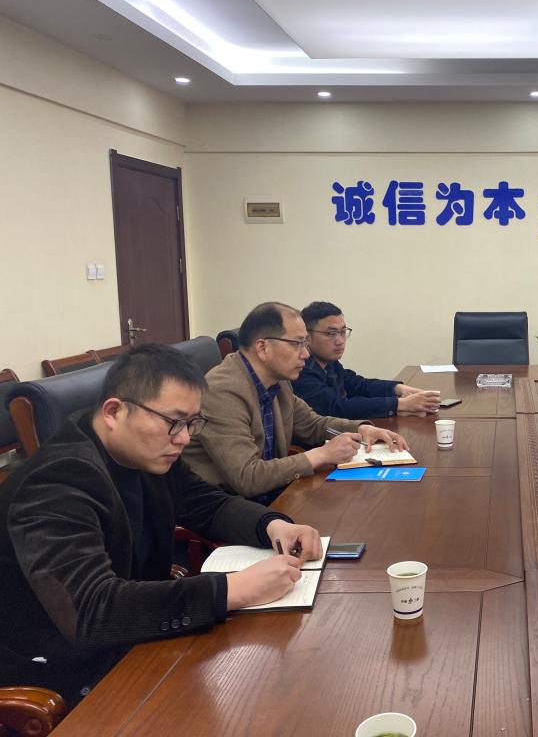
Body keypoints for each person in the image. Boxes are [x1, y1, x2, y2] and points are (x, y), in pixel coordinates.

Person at [0, 345, 323, 707]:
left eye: (191, 423)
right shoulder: (57, 480)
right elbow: (91, 612)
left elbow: (208, 504)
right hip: (58, 673)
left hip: (134, 637)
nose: (184, 438)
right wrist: (231, 590)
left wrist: (272, 525)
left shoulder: (142, 453)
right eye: (174, 422)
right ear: (113, 411)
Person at [184, 302, 408, 502]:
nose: (306, 354)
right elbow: (247, 477)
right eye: (297, 344)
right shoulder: (222, 391)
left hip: (272, 495)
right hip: (226, 508)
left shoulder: (277, 380)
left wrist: (361, 429)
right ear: (262, 348)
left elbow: (312, 424)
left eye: (305, 343)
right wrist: (321, 455)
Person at [294, 301, 441, 418]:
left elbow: (359, 385)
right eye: (331, 333)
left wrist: (399, 389)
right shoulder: (300, 370)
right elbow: (337, 407)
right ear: (307, 337)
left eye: (343, 332)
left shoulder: (330, 363)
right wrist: (400, 404)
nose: (340, 341)